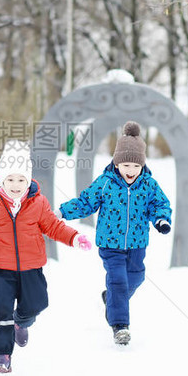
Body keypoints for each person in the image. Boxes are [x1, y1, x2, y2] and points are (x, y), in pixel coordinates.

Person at [0, 139, 92, 373]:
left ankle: (21, 322)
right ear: (2, 179)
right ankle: (2, 355)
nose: (15, 185)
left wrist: (74, 238)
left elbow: (53, 226)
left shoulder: (38, 203)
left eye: (21, 179)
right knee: (1, 310)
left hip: (31, 266)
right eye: (10, 179)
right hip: (1, 268)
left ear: (29, 180)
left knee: (37, 303)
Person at [56, 121, 172, 346]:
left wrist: (161, 219)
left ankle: (111, 299)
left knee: (136, 277)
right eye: (126, 165)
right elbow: (85, 202)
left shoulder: (148, 184)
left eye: (136, 166)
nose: (131, 170)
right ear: (117, 163)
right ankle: (120, 326)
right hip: (110, 244)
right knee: (118, 280)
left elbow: (160, 204)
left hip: (137, 243)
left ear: (142, 165)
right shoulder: (106, 183)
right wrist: (62, 211)